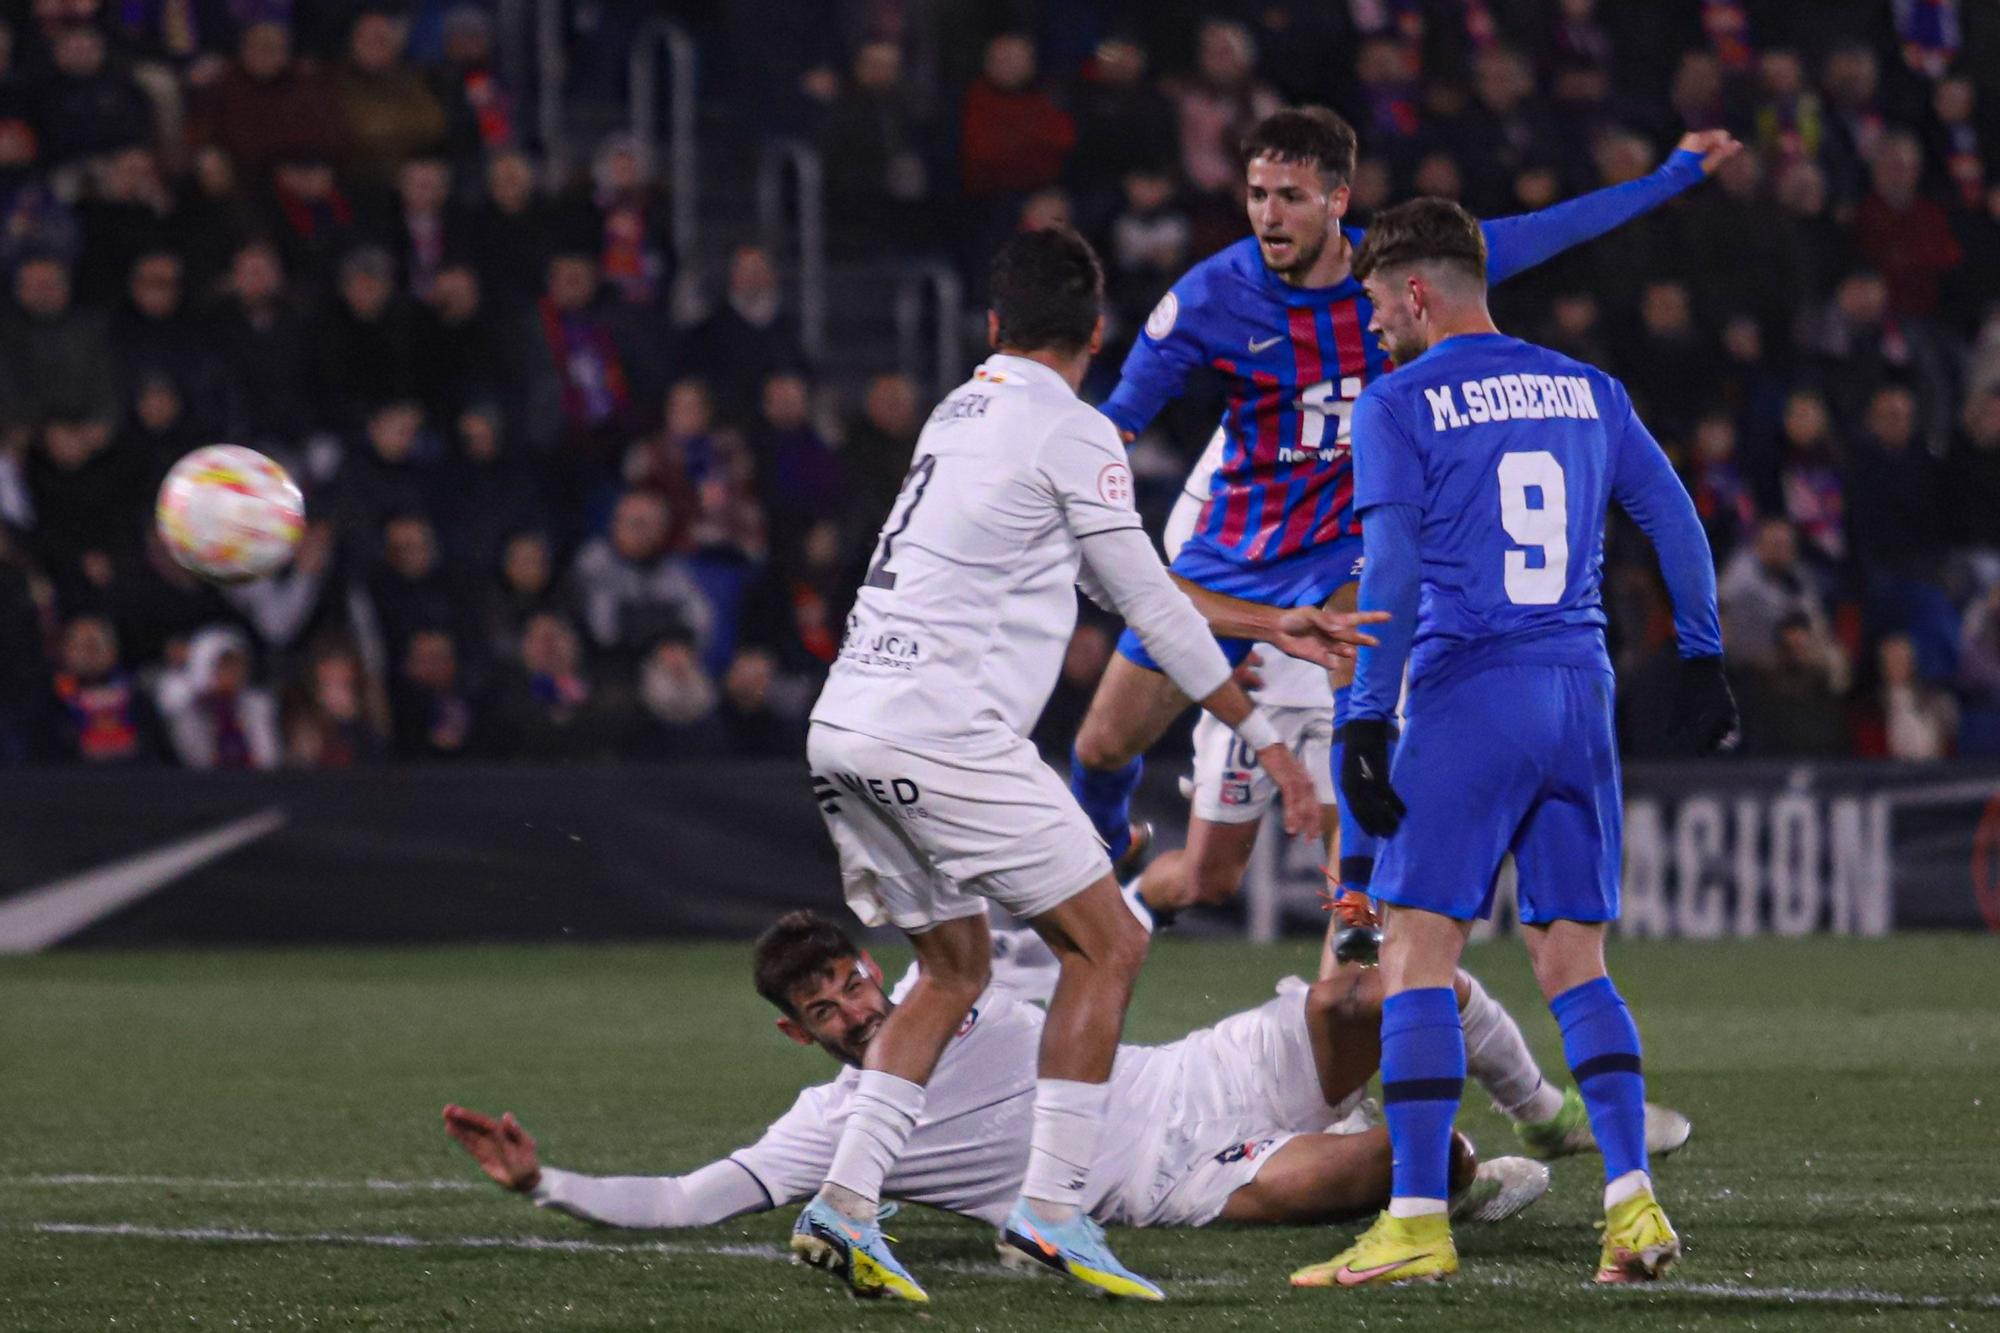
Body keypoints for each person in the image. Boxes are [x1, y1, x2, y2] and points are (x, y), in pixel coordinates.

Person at [796, 227, 1379, 1304]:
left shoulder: (956, 410)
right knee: (1106, 939)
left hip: (844, 723)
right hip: (944, 733)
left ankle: (843, 1202)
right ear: (1096, 334)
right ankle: (1053, 1211)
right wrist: (1261, 737)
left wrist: (1262, 619)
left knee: (955, 969)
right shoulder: (1074, 432)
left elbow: (1138, 593)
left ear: (989, 328)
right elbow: (1152, 601)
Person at [1065, 106, 1742, 957]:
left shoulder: (1405, 274)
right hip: (1234, 555)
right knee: (1102, 741)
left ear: (1339, 200)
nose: (1270, 215)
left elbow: (1561, 227)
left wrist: (1674, 175)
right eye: (1257, 195)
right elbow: (1116, 419)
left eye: (1292, 197)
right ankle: (1098, 857)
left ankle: (1356, 897)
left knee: (1367, 642)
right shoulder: (1209, 297)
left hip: (1345, 546)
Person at [1287, 198, 1737, 1291]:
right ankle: (1629, 1206)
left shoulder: (1396, 400)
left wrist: (1358, 718)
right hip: (1577, 694)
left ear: (1415, 292)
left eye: (1373, 305)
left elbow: (1388, 567)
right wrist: (1700, 654)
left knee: (1411, 955)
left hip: (1468, 692)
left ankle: (1412, 1221)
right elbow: (1672, 517)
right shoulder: (1589, 388)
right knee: (1571, 959)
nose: (1370, 328)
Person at [442, 910, 1559, 1246]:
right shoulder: (829, 1124)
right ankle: (1443, 1165)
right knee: (1396, 1160)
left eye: (847, 981)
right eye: (820, 1008)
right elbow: (686, 1199)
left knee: (1356, 997)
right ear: (798, 1034)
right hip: (1165, 1176)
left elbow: (1108, 921)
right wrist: (545, 1182)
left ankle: (1538, 1105)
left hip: (1193, 1072)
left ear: (870, 965)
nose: (851, 1009)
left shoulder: (959, 970)